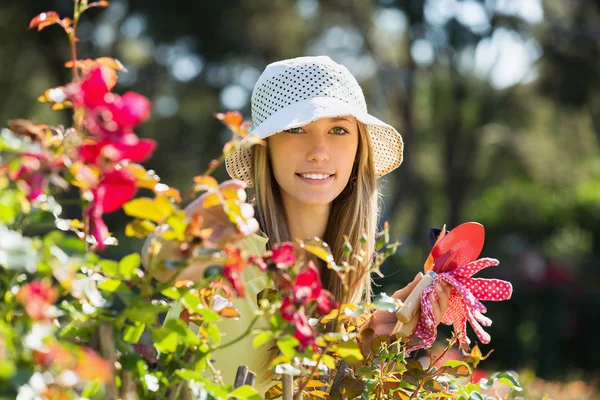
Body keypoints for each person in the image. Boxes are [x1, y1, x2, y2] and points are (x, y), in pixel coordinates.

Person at [142, 56, 451, 396]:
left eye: (338, 130)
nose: (319, 152)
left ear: (358, 148)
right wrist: (177, 241)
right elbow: (163, 261)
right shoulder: (232, 247)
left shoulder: (344, 284)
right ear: (266, 148)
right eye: (294, 129)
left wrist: (368, 348)